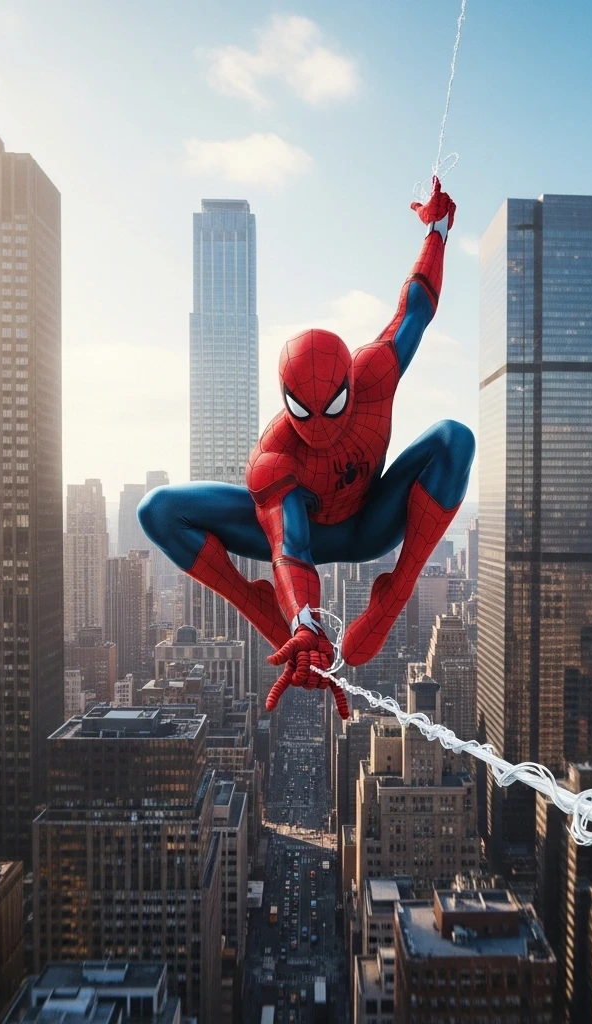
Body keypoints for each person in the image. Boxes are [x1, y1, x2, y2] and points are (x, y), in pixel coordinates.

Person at [140, 179, 474, 718]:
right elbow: (289, 543)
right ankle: (256, 606)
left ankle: (396, 593)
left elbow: (415, 311)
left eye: (331, 406)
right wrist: (299, 620)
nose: (317, 426)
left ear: (350, 382)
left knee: (455, 438)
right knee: (157, 510)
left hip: (369, 523)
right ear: (284, 401)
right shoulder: (274, 454)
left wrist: (436, 232)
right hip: (305, 538)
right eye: (302, 412)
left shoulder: (377, 372)